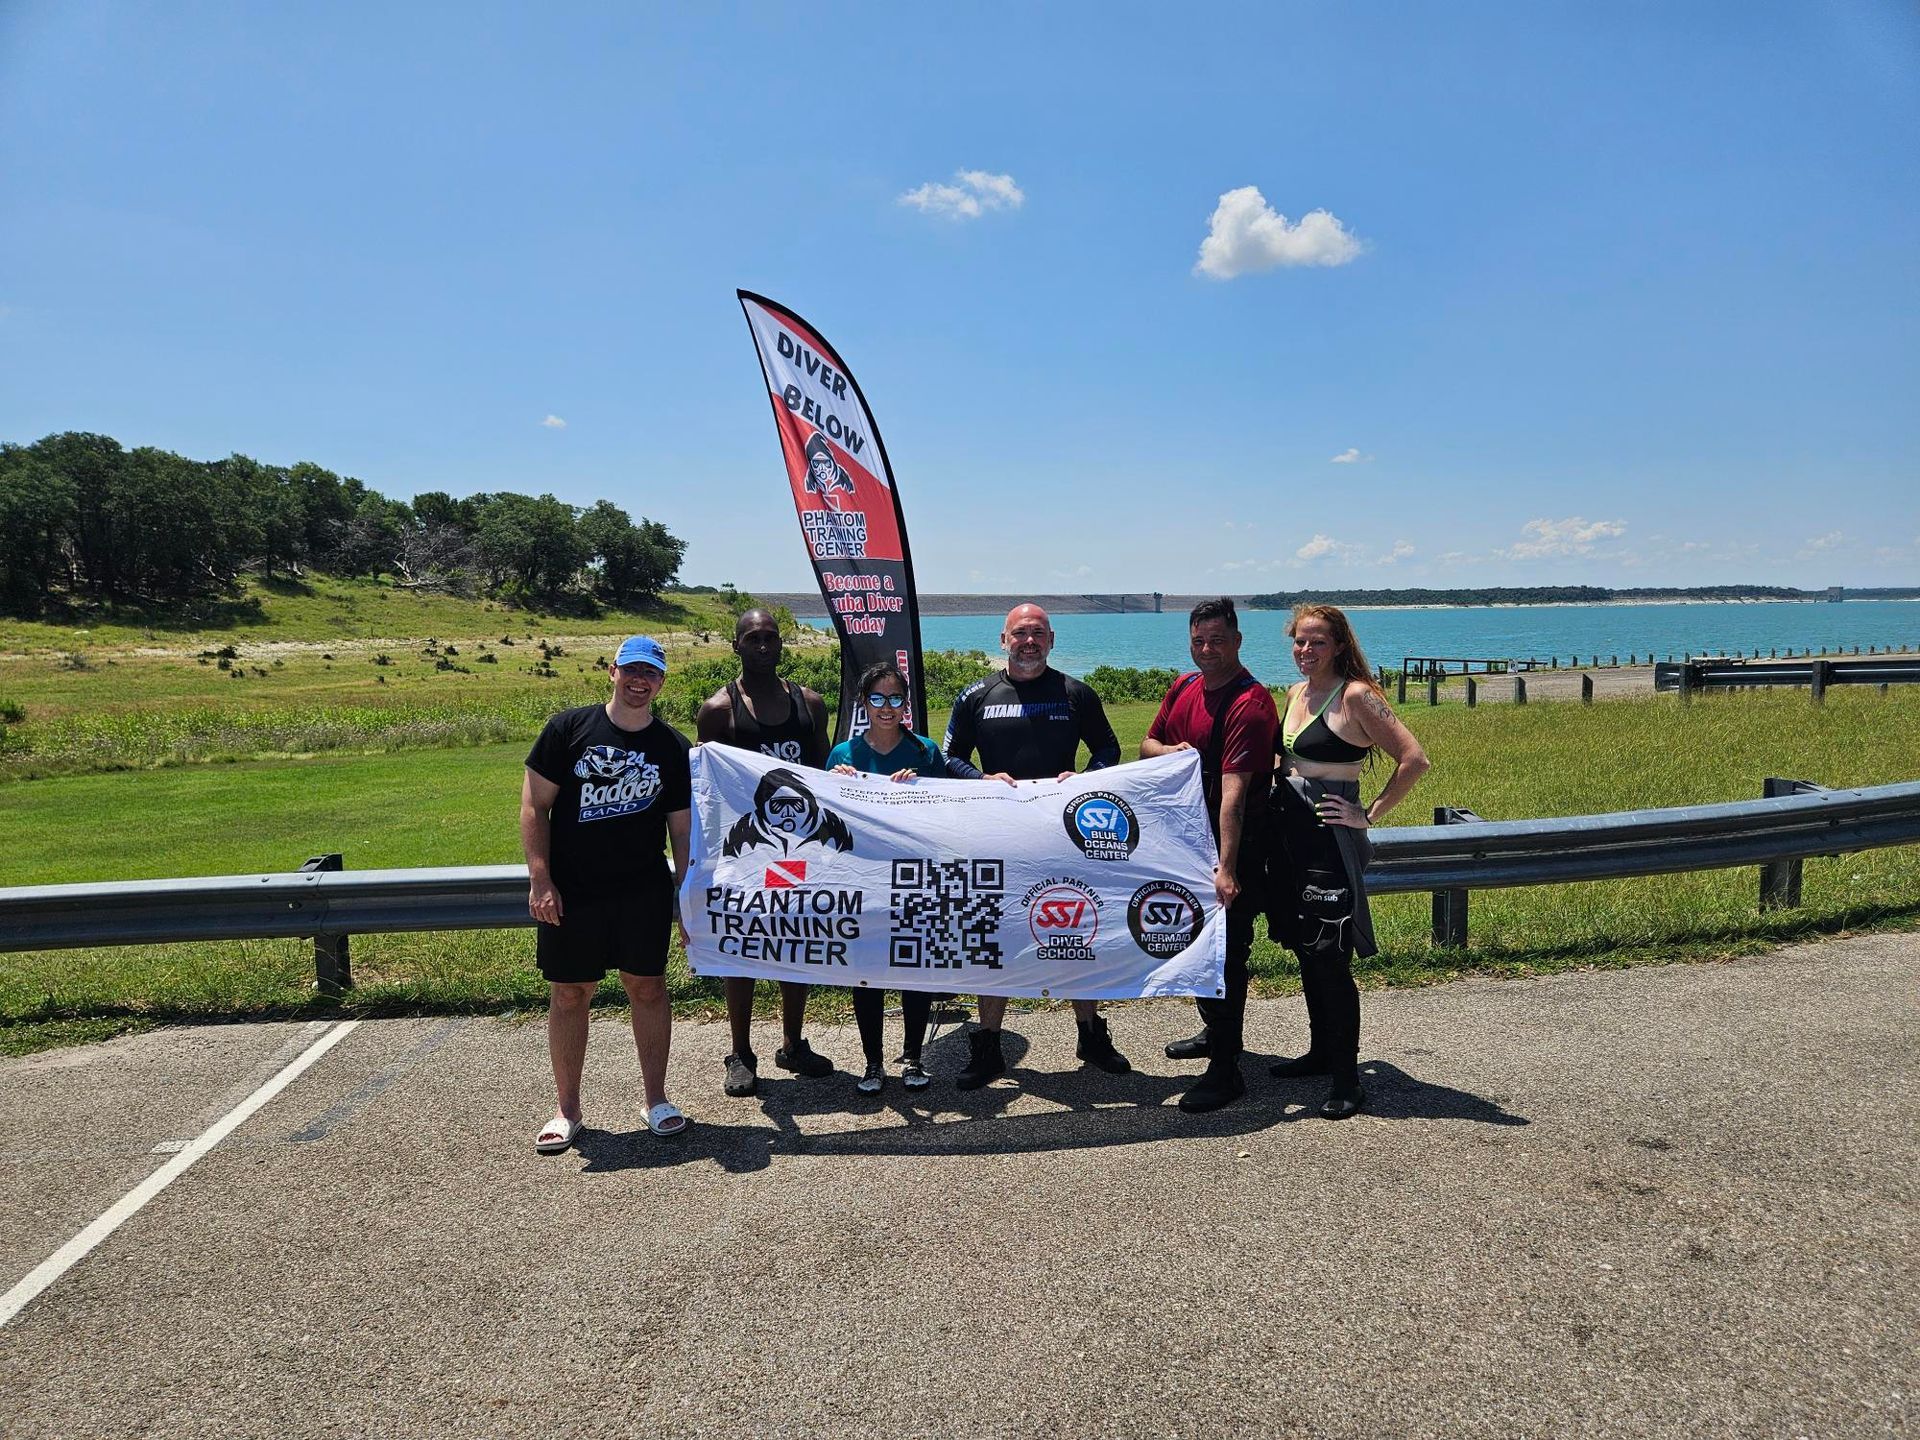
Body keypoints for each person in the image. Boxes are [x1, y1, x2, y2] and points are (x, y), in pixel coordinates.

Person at [941, 602, 1130, 1088]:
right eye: (1020, 633)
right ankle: (988, 1045)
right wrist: (982, 780)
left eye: (1038, 634)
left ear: (1051, 640)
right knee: (995, 936)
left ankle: (1091, 1034)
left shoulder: (1076, 693)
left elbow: (1108, 748)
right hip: (996, 834)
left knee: (1075, 930)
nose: (1029, 642)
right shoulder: (976, 695)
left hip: (1062, 834)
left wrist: (1084, 778)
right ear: (1003, 639)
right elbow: (949, 757)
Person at [521, 634, 692, 1151]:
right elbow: (534, 807)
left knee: (649, 988)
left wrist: (685, 894)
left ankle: (656, 1099)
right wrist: (541, 879)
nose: (640, 681)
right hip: (574, 890)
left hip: (641, 889)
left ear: (661, 682)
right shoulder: (567, 729)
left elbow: (682, 830)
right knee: (570, 993)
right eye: (632, 670)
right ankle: (567, 1110)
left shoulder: (672, 746)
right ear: (613, 671)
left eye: (651, 673)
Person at [1268, 603, 1429, 1119]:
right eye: (1300, 641)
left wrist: (1368, 813)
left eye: (1318, 642)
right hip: (1290, 837)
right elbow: (1287, 759)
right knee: (1306, 950)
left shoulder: (1357, 695)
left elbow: (1415, 759)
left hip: (1330, 842)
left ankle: (1347, 1079)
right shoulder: (1295, 693)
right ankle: (1320, 1053)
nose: (1306, 650)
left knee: (1330, 959)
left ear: (1339, 645)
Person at [1139, 598, 1278, 1113]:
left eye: (1218, 640)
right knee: (1194, 946)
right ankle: (1214, 1032)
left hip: (1233, 846)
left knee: (1225, 955)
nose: (1207, 649)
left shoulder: (1251, 703)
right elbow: (1147, 745)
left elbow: (1235, 798)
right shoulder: (1184, 686)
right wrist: (1172, 753)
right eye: (1199, 640)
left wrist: (1227, 869)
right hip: (1185, 843)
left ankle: (1227, 1070)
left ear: (1237, 641)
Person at [827, 660, 986, 1094]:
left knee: (913, 968)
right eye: (877, 698)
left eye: (895, 698)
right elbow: (828, 819)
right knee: (868, 973)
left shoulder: (925, 752)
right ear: (863, 703)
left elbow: (944, 814)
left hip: (915, 878)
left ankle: (914, 1058)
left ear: (906, 704)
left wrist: (916, 789)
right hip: (864, 879)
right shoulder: (843, 755)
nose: (886, 707)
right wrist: (837, 783)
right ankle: (873, 1064)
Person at [696, 608, 836, 1097]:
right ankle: (741, 1051)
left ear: (781, 643)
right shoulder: (719, 710)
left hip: (798, 848)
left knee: (794, 939)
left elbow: (823, 778)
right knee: (742, 946)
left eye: (770, 637)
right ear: (735, 645)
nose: (762, 645)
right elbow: (707, 788)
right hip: (747, 851)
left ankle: (793, 1043)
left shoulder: (809, 704)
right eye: (752, 638)